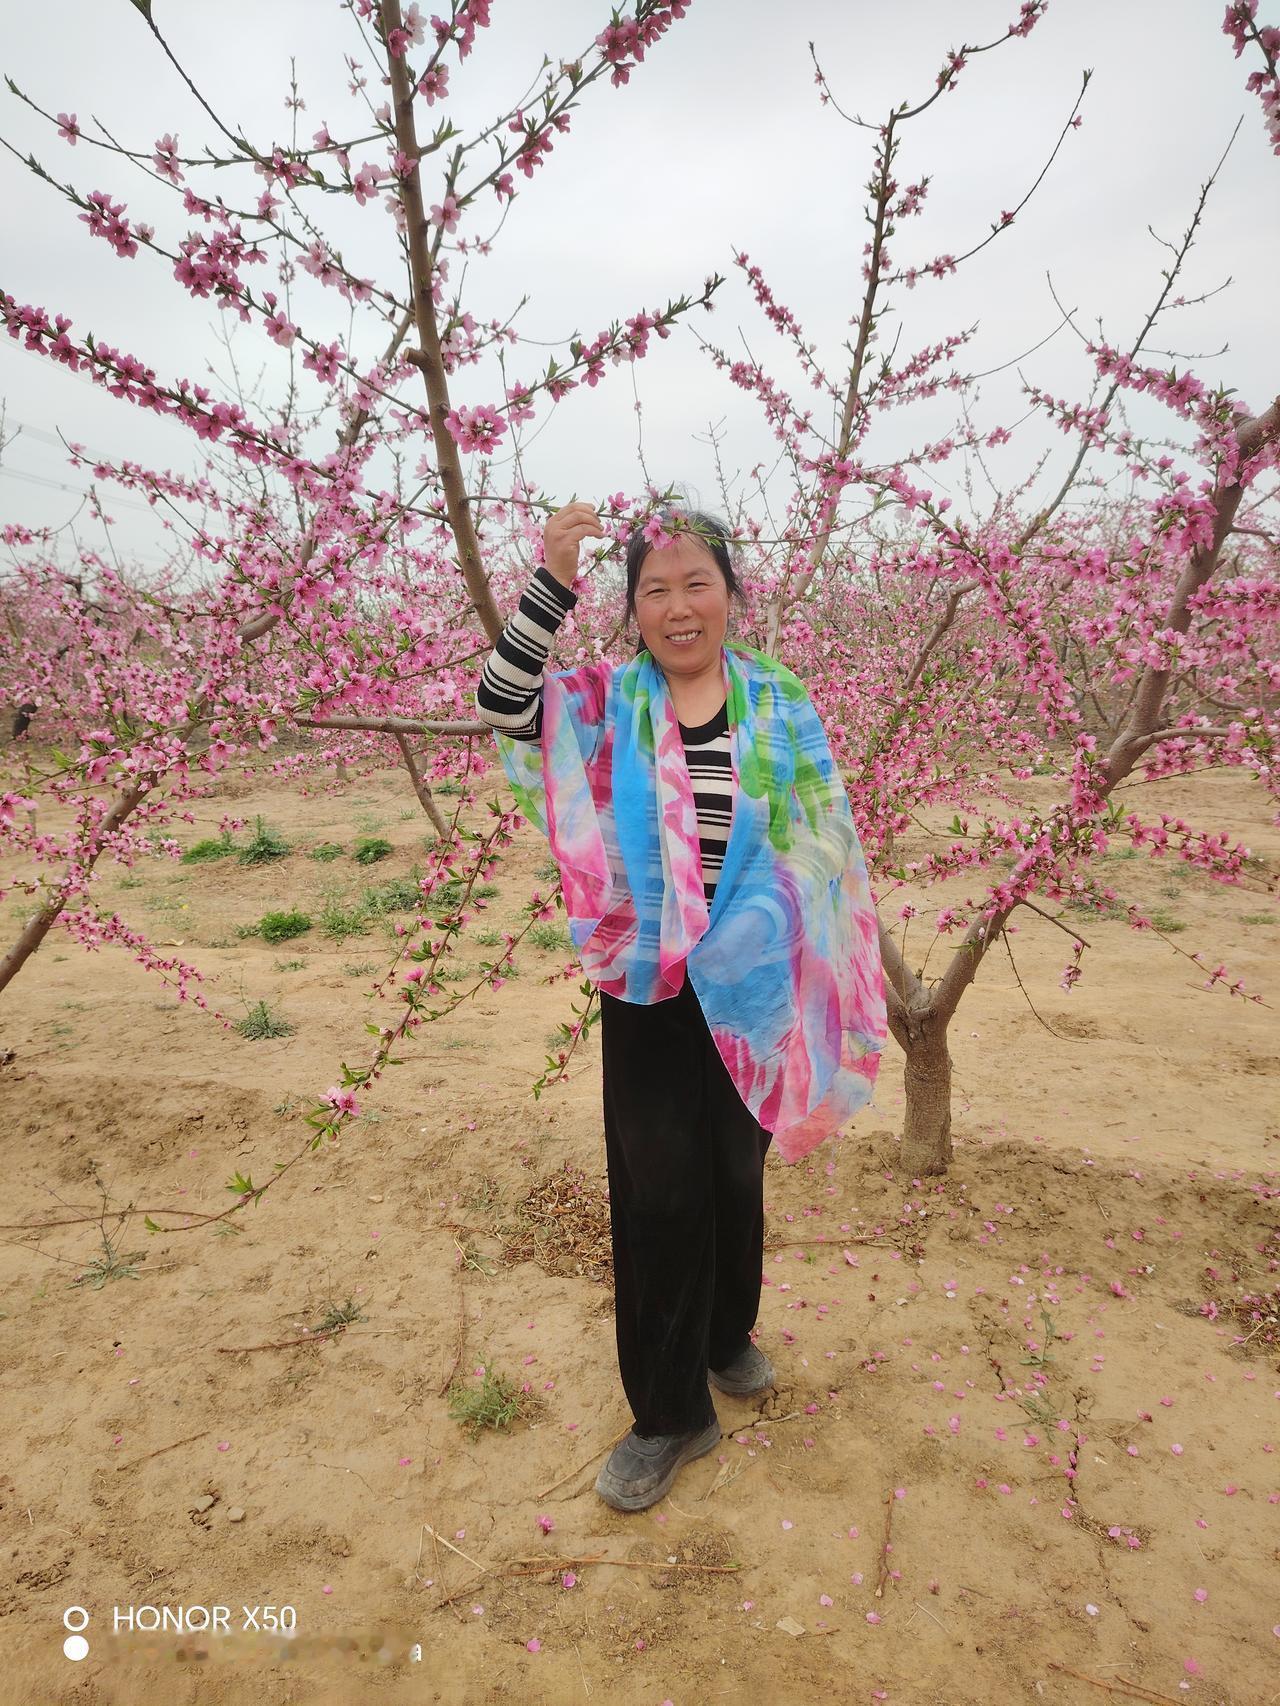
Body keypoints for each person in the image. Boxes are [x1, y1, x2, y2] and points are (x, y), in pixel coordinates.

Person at [474, 499, 886, 1512]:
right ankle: (667, 1414)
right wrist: (550, 581)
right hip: (649, 984)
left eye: (695, 581)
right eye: (652, 588)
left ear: (731, 594)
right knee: (658, 1192)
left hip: (752, 980)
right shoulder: (609, 703)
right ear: (631, 610)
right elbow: (499, 701)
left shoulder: (776, 702)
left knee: (733, 1169)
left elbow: (822, 828)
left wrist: (756, 920)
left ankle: (724, 1333)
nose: (676, 605)